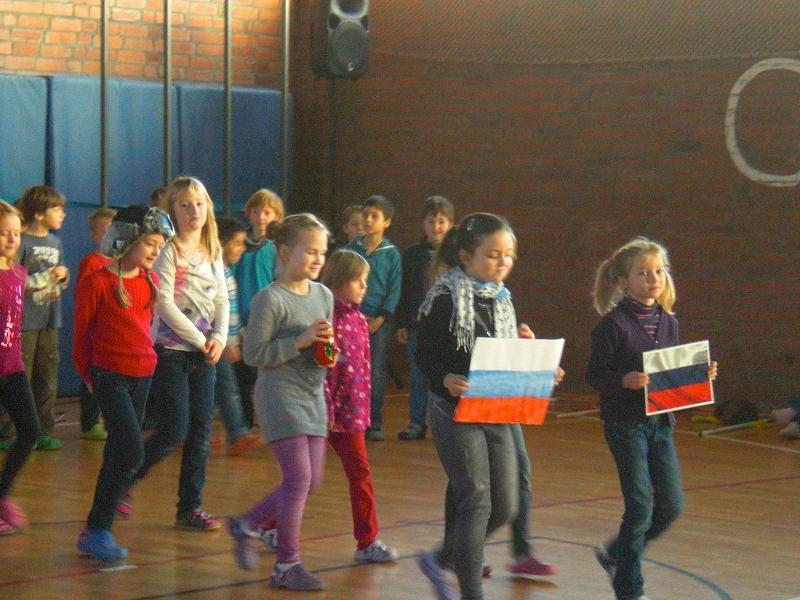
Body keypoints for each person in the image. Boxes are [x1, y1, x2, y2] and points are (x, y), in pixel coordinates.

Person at [587, 237, 718, 600]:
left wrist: (698, 375)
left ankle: (617, 553)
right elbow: (594, 376)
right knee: (640, 507)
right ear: (623, 281)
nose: (653, 278)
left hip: (660, 425)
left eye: (658, 271)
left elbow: (669, 372)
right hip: (624, 426)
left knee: (671, 506)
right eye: (643, 273)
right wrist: (623, 380)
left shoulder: (668, 321)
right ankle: (629, 588)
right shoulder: (612, 325)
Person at [415, 213, 527, 600]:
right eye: (493, 255)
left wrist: (529, 352)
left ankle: (442, 559)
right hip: (454, 412)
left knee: (506, 506)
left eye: (508, 255)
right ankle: (471, 591)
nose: (502, 262)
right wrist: (444, 377)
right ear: (466, 257)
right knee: (477, 499)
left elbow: (503, 352)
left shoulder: (503, 300)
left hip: (495, 409)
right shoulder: (445, 297)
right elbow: (423, 353)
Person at [227, 213, 334, 591]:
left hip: (312, 395)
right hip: (279, 395)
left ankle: (247, 523)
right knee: (298, 479)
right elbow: (254, 354)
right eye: (310, 251)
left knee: (312, 481)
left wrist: (327, 351)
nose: (318, 259)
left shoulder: (324, 296)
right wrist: (299, 342)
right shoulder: (269, 299)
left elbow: (324, 347)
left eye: (323, 252)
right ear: (286, 252)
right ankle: (287, 564)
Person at [122, 176, 229, 531]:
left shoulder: (212, 249)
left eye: (199, 204)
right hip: (172, 351)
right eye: (185, 205)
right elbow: (164, 303)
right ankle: (123, 481)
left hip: (205, 353)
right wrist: (200, 340)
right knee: (174, 430)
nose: (193, 211)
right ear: (173, 211)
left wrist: (220, 337)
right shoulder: (168, 250)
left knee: (200, 433)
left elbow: (221, 298)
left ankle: (190, 509)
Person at [73, 205, 174, 561]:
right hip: (109, 377)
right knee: (132, 451)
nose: (155, 251)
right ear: (127, 239)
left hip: (142, 375)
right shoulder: (96, 282)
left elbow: (146, 330)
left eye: (159, 245)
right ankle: (98, 528)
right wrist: (89, 377)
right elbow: (81, 338)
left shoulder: (150, 282)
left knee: (117, 453)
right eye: (149, 243)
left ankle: (96, 530)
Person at [321, 249, 399, 563]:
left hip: (351, 415)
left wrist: (363, 409)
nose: (365, 287)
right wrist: (325, 409)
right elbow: (324, 369)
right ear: (339, 282)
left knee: (360, 474)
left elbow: (363, 370)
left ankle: (367, 541)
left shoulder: (359, 320)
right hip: (324, 415)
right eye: (358, 281)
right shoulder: (326, 320)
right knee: (304, 479)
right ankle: (268, 525)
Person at [9, 186, 69, 451]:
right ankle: (10, 431)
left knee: (47, 376)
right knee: (19, 376)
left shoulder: (55, 242)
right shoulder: (20, 242)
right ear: (38, 213)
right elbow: (14, 280)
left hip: (50, 319)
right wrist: (45, 277)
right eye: (57, 209)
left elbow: (60, 277)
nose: (63, 214)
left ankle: (43, 430)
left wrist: (63, 277)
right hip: (24, 321)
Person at [396, 195, 454, 441]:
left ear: (450, 224)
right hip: (419, 326)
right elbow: (405, 290)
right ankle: (417, 422)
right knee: (419, 374)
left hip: (449, 327)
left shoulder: (457, 255)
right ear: (423, 224)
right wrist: (402, 322)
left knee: (446, 376)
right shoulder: (412, 254)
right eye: (431, 221)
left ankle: (447, 423)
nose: (436, 227)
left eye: (442, 222)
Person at [345, 196, 402, 441]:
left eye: (374, 216)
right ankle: (351, 418)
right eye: (365, 215)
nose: (368, 220)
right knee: (351, 369)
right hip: (351, 319)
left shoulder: (391, 254)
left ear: (386, 222)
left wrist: (380, 318)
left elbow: (394, 289)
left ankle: (374, 422)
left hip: (379, 322)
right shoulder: (350, 250)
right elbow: (342, 282)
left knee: (375, 371)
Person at [0, 200, 41, 534]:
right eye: (4, 233)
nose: (12, 239)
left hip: (12, 367)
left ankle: (2, 494)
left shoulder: (19, 274)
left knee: (29, 431)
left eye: (16, 233)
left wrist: (52, 282)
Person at [232, 188, 282, 428]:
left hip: (266, 316)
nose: (261, 217)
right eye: (256, 211)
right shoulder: (238, 243)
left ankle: (269, 419)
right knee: (242, 374)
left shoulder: (277, 247)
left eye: (267, 212)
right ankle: (244, 422)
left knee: (266, 372)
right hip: (239, 315)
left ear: (276, 216)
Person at [214, 217, 263, 455]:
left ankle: (193, 433)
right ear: (220, 243)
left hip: (221, 341)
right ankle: (237, 434)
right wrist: (230, 341)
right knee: (226, 387)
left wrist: (239, 335)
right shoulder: (216, 272)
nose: (242, 249)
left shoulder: (225, 271)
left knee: (219, 387)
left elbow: (231, 311)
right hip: (216, 342)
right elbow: (220, 313)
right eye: (237, 243)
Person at [75, 206, 117, 442]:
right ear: (94, 235)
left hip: (113, 330)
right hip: (95, 329)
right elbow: (84, 296)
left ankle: (109, 418)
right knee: (92, 375)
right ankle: (90, 422)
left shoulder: (123, 262)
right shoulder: (91, 262)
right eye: (106, 231)